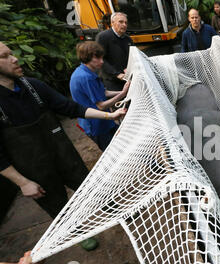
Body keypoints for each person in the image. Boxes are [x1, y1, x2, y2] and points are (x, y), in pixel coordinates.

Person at [0, 42, 126, 249]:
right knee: (57, 205)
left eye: (12, 53)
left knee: (87, 184)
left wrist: (109, 115)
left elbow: (72, 107)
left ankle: (109, 207)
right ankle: (77, 233)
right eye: (5, 56)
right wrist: (22, 182)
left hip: (62, 153)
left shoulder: (33, 86)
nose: (14, 59)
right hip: (34, 169)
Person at [70, 41, 130, 151]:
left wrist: (126, 90)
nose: (102, 62)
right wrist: (123, 94)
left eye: (102, 58)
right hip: (97, 125)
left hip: (105, 121)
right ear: (87, 57)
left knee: (124, 144)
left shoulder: (87, 71)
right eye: (97, 58)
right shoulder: (86, 78)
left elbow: (104, 93)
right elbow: (101, 106)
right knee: (114, 153)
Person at [96, 12, 133, 91]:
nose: (124, 25)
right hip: (111, 80)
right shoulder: (103, 37)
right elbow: (100, 59)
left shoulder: (128, 39)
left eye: (126, 22)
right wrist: (117, 74)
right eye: (121, 22)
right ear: (112, 23)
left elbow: (132, 57)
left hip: (126, 78)